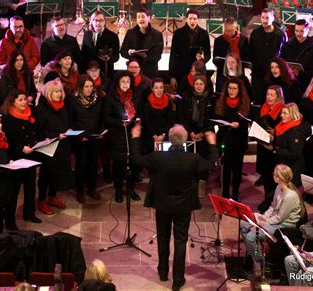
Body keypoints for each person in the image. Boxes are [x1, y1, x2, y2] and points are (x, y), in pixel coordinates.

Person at [130, 124, 218, 291]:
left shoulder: (158, 157)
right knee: (180, 241)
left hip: (162, 204)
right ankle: (178, 280)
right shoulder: (193, 159)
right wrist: (212, 143)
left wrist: (135, 138)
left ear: (169, 139)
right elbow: (212, 164)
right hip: (183, 206)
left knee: (163, 238)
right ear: (185, 141)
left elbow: (136, 159)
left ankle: (163, 272)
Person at [265, 178, 313, 278]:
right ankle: (273, 266)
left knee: (285, 244)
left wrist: (303, 229)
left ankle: (278, 270)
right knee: (279, 232)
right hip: (312, 234)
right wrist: (304, 227)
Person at [241, 164, 303, 266]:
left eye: (275, 174)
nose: (273, 175)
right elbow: (273, 206)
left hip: (283, 226)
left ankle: (260, 262)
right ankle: (253, 254)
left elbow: (280, 218)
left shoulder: (289, 196)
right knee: (244, 225)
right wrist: (263, 217)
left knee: (250, 237)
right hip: (273, 221)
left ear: (280, 178)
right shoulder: (279, 187)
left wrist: (261, 224)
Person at [1, 90, 42, 225]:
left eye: (25, 99)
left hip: (31, 155)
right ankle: (10, 220)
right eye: (20, 100)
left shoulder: (31, 113)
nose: (24, 102)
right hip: (16, 158)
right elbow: (7, 140)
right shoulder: (7, 118)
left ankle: (29, 213)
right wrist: (20, 148)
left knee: (30, 188)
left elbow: (34, 132)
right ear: (13, 102)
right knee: (14, 191)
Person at [35, 79, 73, 215]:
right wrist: (57, 135)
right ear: (49, 93)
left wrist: (68, 130)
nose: (58, 94)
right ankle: (42, 200)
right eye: (55, 92)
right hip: (48, 146)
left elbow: (67, 122)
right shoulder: (41, 108)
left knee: (57, 172)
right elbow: (39, 130)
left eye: (60, 91)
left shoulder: (63, 106)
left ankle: (52, 196)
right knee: (46, 174)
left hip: (62, 144)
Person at [103, 71, 141, 203]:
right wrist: (120, 123)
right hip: (117, 134)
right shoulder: (111, 97)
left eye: (128, 82)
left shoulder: (135, 96)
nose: (125, 84)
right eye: (123, 82)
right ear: (118, 83)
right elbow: (106, 117)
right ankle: (118, 188)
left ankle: (130, 188)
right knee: (118, 163)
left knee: (134, 162)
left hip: (132, 133)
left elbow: (139, 113)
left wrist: (136, 120)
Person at [214, 77, 250, 200]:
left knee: (237, 170)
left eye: (234, 88)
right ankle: (224, 194)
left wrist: (239, 125)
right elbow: (216, 116)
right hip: (225, 139)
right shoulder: (221, 102)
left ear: (239, 90)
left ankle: (235, 193)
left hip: (239, 140)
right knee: (225, 169)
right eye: (229, 88)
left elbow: (246, 123)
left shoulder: (244, 104)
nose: (231, 91)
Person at [69, 75, 104, 203]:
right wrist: (79, 136)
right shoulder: (73, 99)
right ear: (80, 87)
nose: (89, 89)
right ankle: (79, 191)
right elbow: (70, 121)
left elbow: (101, 117)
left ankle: (92, 189)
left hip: (94, 136)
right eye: (86, 87)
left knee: (93, 163)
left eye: (91, 86)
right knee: (81, 164)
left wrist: (100, 131)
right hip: (80, 137)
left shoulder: (98, 98)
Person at [254, 85, 284, 212]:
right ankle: (267, 200)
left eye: (272, 95)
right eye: (267, 94)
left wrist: (275, 134)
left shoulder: (282, 111)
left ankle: (275, 204)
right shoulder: (263, 108)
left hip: (274, 148)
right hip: (262, 146)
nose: (269, 97)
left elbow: (284, 129)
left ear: (278, 97)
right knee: (266, 177)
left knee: (274, 179)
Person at [249, 8, 287, 104]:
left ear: (273, 18)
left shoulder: (280, 35)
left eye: (267, 18)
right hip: (258, 75)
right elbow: (251, 53)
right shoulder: (255, 33)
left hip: (273, 76)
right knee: (258, 102)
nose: (265, 20)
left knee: (273, 103)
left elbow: (284, 55)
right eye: (262, 17)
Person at [169, 9, 211, 92]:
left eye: (195, 19)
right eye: (190, 18)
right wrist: (172, 76)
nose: (192, 21)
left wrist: (202, 59)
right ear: (186, 19)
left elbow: (208, 54)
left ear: (198, 20)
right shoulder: (178, 33)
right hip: (181, 71)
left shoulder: (204, 34)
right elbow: (173, 55)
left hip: (198, 72)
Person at [272, 103, 311, 187]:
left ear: (293, 114)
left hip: (292, 168)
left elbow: (295, 153)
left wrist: (276, 150)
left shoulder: (296, 132)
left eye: (285, 113)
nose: (282, 115)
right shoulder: (283, 126)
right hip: (284, 163)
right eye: (282, 113)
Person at [175, 74, 214, 157]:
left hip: (204, 134)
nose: (199, 86)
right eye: (196, 83)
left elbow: (211, 119)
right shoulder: (186, 98)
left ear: (205, 85)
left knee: (203, 160)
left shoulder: (211, 99)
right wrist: (191, 132)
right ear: (193, 84)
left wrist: (201, 133)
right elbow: (181, 117)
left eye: (201, 84)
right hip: (189, 133)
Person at [120, 8, 163, 79]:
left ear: (149, 18)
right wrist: (129, 52)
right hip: (133, 71)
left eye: (143, 17)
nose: (140, 19)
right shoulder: (130, 33)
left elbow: (157, 56)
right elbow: (122, 52)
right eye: (138, 17)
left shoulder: (157, 34)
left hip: (149, 72)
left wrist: (145, 56)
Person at [280, 19, 313, 90]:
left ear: (307, 31)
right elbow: (282, 61)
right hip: (289, 81)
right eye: (296, 31)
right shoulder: (288, 44)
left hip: (305, 83)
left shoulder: (312, 46)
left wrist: (299, 74)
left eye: (302, 31)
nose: (298, 34)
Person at [82, 11, 120, 79]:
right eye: (95, 20)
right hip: (89, 72)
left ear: (105, 22)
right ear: (91, 21)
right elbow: (83, 53)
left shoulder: (113, 36)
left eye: (101, 20)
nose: (98, 23)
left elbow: (116, 56)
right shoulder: (87, 34)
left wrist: (109, 59)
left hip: (105, 73)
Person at [142, 78, 174, 154]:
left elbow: (170, 119)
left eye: (161, 87)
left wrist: (163, 135)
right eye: (156, 88)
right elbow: (146, 121)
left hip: (165, 135)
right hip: (151, 136)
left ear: (163, 88)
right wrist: (154, 136)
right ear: (152, 89)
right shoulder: (147, 103)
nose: (159, 90)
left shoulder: (168, 102)